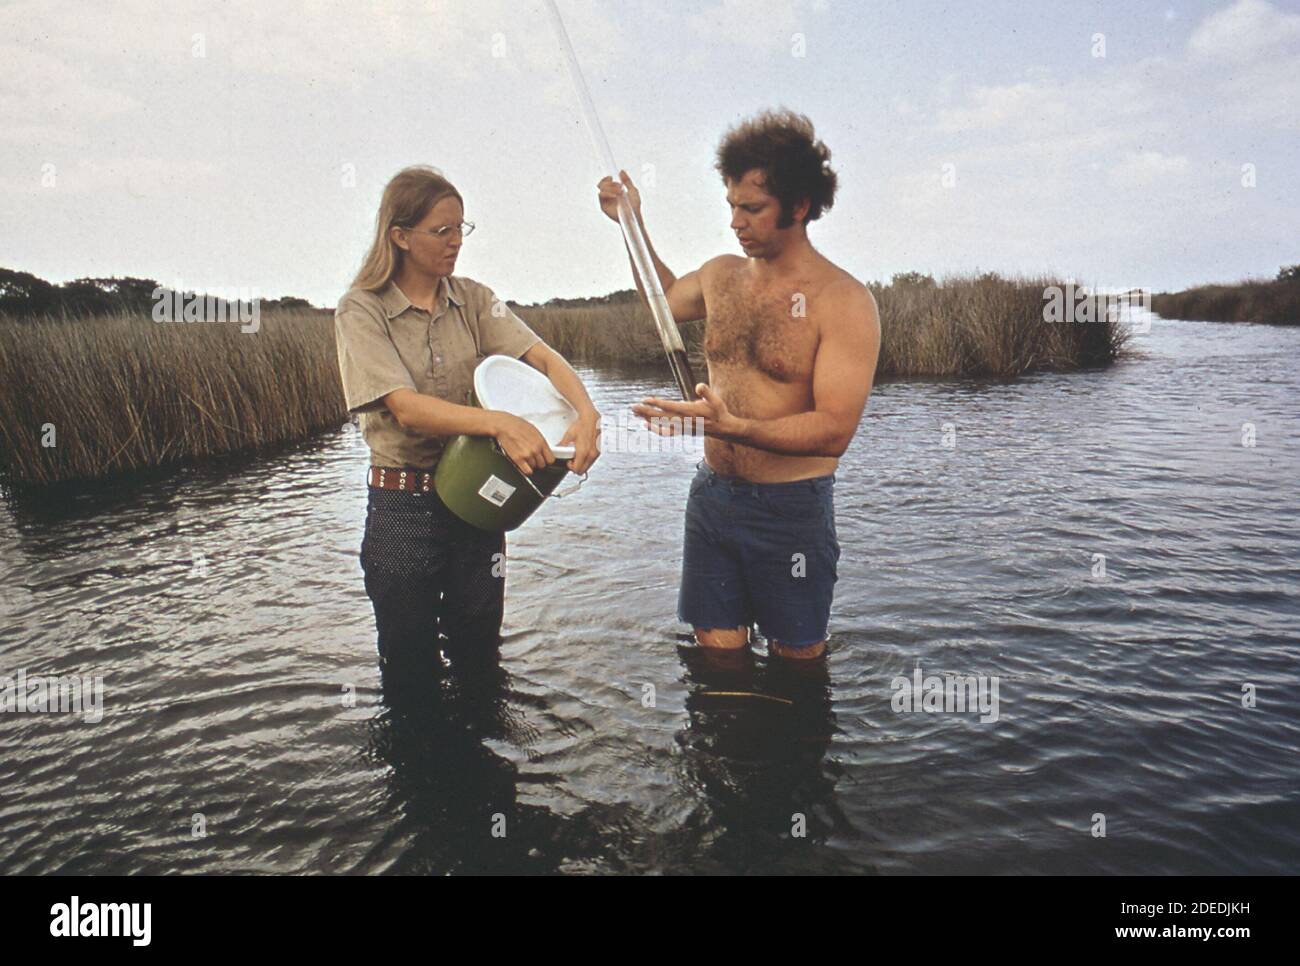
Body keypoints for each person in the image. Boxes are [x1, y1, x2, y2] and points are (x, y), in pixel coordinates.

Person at [597, 110, 880, 662]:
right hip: (713, 499)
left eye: (752, 209)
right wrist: (631, 223)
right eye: (731, 206)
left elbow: (834, 430)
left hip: (791, 509)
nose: (735, 222)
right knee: (715, 660)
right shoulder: (721, 275)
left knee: (797, 664)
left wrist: (734, 427)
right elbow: (663, 301)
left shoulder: (842, 301)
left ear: (798, 207)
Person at [336, 165, 600, 682]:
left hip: (478, 503)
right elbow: (406, 407)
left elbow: (542, 357)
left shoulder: (476, 299)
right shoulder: (360, 310)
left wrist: (587, 414)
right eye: (442, 231)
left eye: (462, 228)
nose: (457, 241)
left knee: (479, 652)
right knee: (409, 665)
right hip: (401, 507)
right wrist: (498, 422)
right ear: (400, 236)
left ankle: (483, 755)